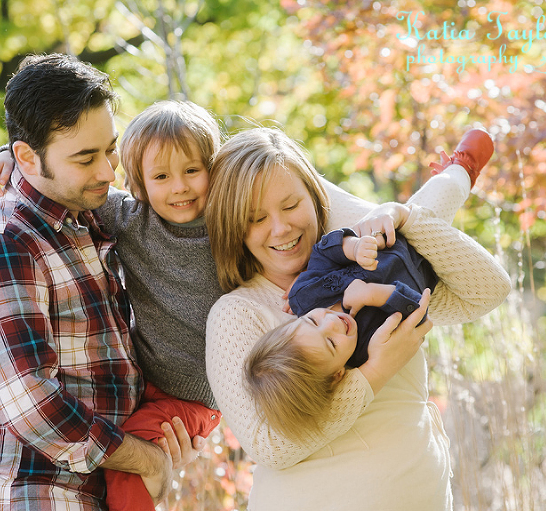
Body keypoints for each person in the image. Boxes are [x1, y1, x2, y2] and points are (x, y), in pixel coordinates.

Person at [204, 127, 512, 510]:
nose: (280, 228)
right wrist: (374, 372)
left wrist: (402, 216)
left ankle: (459, 169)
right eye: (255, 218)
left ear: (315, 199)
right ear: (234, 228)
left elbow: (488, 289)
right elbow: (271, 446)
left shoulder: (366, 266)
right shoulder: (236, 313)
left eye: (290, 206)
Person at [0, 54, 202, 511]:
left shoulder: (87, 219)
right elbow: (33, 405)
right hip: (28, 497)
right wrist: (146, 461)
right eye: (86, 158)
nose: (108, 171)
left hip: (92, 495)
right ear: (27, 156)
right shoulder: (1, 243)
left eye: (110, 149)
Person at [244, 218, 469, 441]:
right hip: (427, 262)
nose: (331, 323)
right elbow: (419, 311)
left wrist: (354, 247)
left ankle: (460, 180)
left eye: (312, 322)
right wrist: (372, 293)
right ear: (337, 375)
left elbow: (322, 253)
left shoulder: (304, 295)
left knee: (441, 190)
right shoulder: (369, 347)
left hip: (387, 235)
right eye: (331, 343)